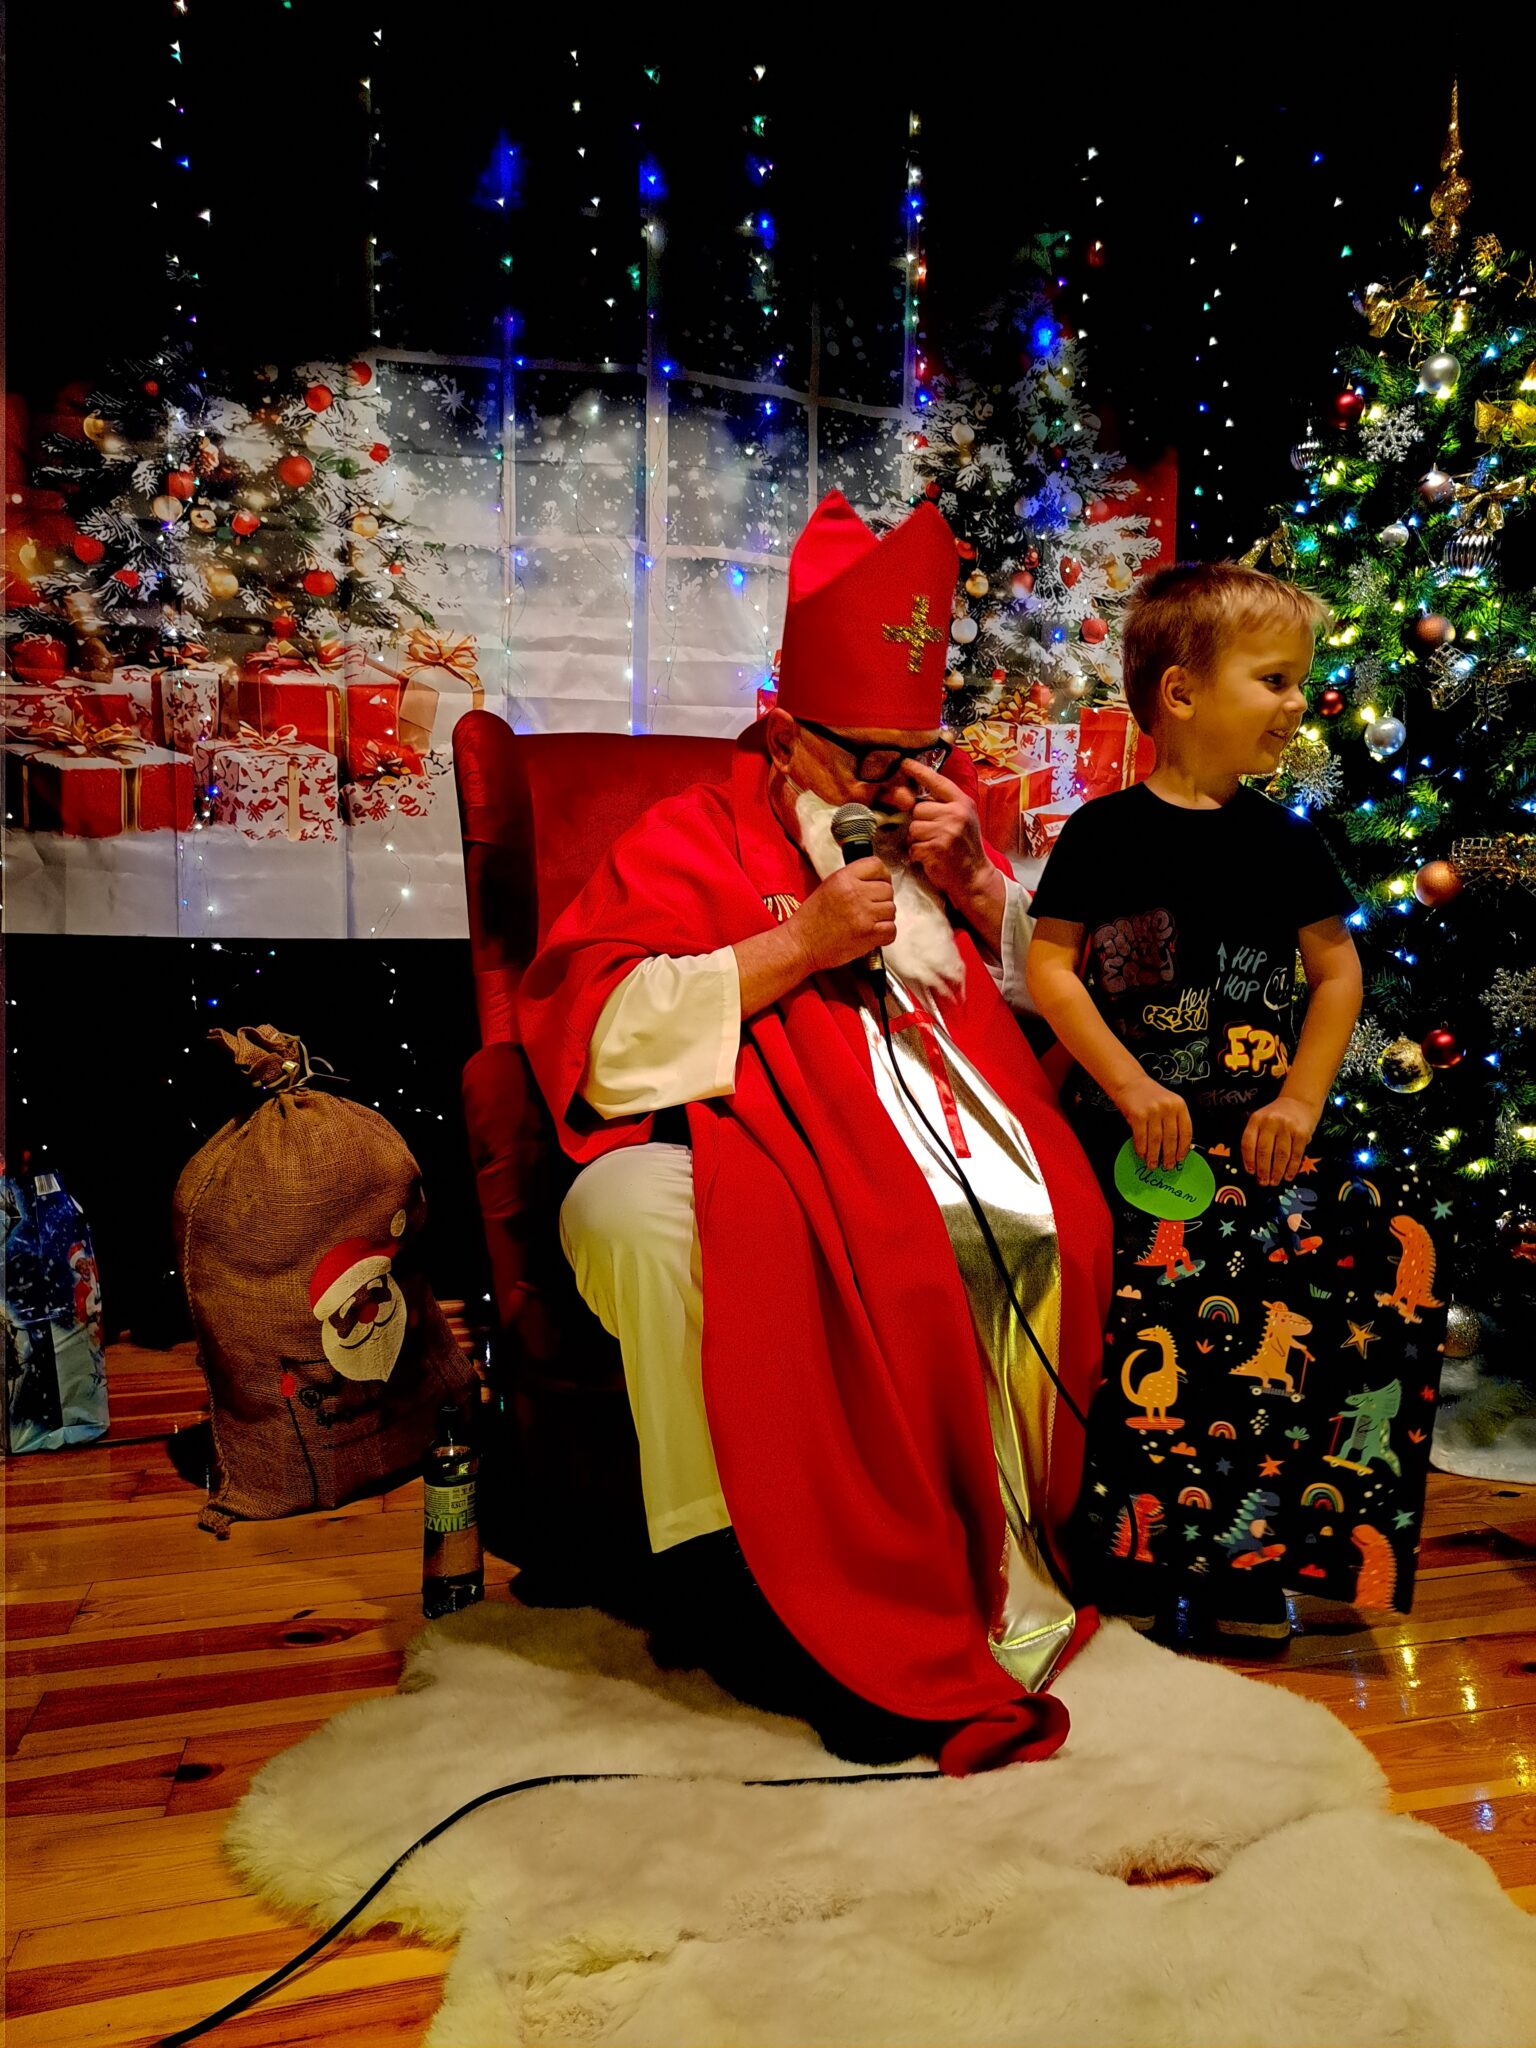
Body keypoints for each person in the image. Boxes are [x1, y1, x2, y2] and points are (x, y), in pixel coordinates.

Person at [520, 491, 1112, 1773]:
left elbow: (1063, 1001)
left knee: (1035, 1220)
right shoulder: (693, 834)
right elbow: (601, 1034)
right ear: (786, 733)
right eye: (865, 760)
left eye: (920, 754)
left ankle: (981, 1554)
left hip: (937, 1141)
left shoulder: (939, 840)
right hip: (757, 1145)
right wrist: (796, 944)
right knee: (683, 1230)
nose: (895, 786)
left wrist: (977, 883)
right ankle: (733, 1574)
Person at [1026, 561, 1448, 1649]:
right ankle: (1125, 1552)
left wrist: (1301, 1100)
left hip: (1258, 1150)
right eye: (1274, 680)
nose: (1299, 703)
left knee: (1266, 1354)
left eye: (1299, 681)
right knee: (1129, 1349)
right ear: (1179, 693)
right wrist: (1128, 1082)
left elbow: (1337, 974)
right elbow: (1052, 966)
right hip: (1130, 1146)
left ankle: (1246, 1566)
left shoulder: (1285, 841)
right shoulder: (1101, 834)